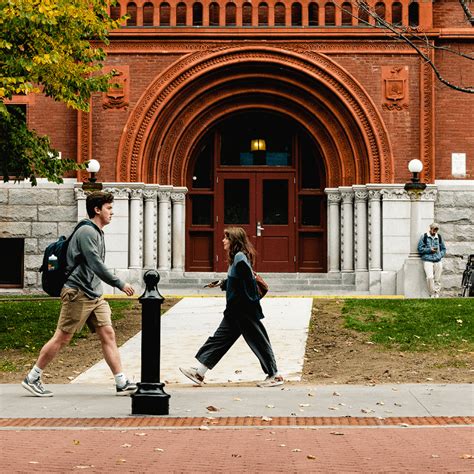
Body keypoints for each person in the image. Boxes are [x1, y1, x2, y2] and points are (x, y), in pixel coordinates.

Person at [22, 191, 137, 397]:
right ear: (97, 209)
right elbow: (96, 264)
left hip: (93, 294)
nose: (112, 212)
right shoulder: (87, 232)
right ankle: (32, 377)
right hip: (78, 292)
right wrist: (119, 283)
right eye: (109, 208)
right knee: (62, 337)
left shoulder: (97, 231)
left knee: (108, 334)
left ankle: (121, 382)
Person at [179, 227, 283, 388]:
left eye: (226, 238)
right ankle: (199, 372)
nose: (223, 241)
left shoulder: (240, 258)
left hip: (244, 310)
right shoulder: (237, 258)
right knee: (220, 340)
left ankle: (275, 375)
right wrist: (223, 283)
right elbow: (239, 280)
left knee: (258, 341)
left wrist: (249, 303)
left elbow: (248, 282)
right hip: (236, 311)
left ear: (234, 240)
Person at [417, 222, 447, 298]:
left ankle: (436, 293)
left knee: (437, 278)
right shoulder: (424, 236)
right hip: (428, 260)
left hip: (438, 260)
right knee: (430, 277)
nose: (435, 231)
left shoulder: (439, 237)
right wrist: (429, 250)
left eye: (436, 230)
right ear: (430, 229)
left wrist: (440, 255)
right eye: (434, 229)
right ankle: (432, 293)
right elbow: (420, 249)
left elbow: (443, 249)